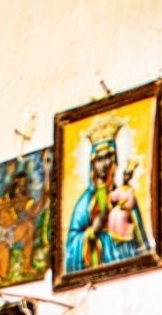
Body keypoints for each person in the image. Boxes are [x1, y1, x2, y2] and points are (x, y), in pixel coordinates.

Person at [64, 115, 152, 272]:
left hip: (125, 256)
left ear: (115, 160)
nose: (104, 164)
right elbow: (72, 243)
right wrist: (91, 233)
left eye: (108, 157)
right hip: (97, 258)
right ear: (92, 163)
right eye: (99, 159)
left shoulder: (124, 194)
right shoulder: (84, 203)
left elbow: (141, 240)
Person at [0, 167, 46, 283]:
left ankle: (27, 265)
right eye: (19, 185)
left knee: (29, 226)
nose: (21, 188)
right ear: (15, 186)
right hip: (3, 234)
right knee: (4, 273)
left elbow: (32, 212)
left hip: (14, 231)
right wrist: (4, 206)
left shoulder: (25, 200)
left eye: (23, 186)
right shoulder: (5, 198)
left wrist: (43, 200)